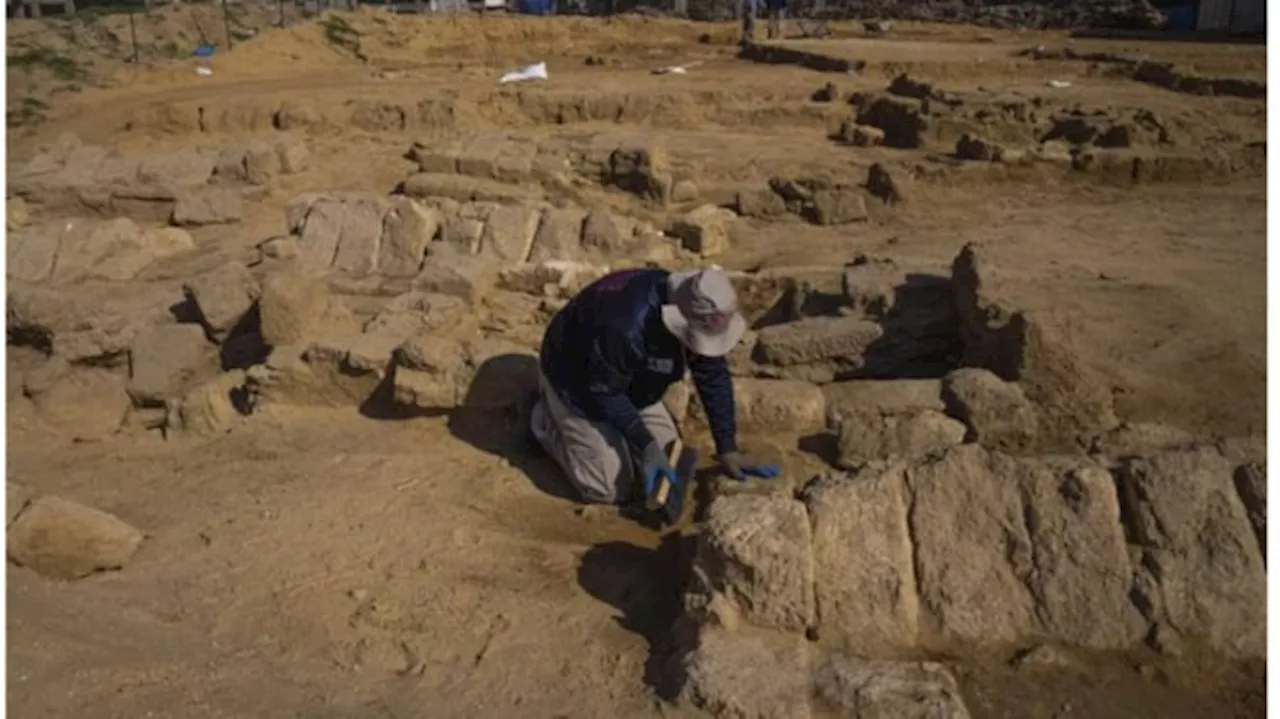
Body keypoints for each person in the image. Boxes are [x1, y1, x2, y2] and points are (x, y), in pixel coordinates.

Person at [531, 267, 780, 506]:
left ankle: (618, 439)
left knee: (670, 459)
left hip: (633, 382)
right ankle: (545, 419)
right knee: (608, 487)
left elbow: (713, 376)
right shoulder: (626, 325)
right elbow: (605, 392)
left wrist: (727, 448)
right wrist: (646, 444)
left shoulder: (694, 307)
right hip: (575, 381)